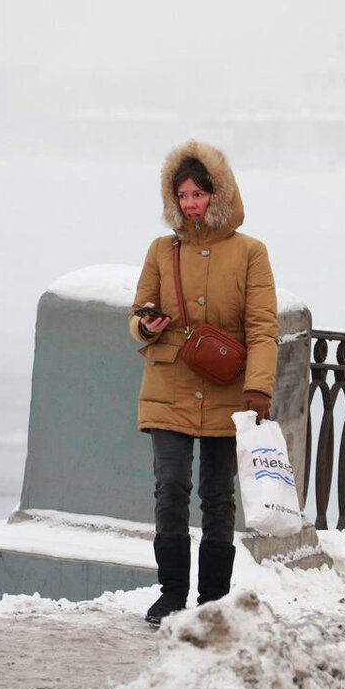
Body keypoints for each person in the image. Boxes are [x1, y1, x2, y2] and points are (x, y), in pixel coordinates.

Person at [129, 140, 278, 625]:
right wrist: (144, 324)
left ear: (220, 194)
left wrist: (259, 390)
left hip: (227, 390)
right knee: (169, 487)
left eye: (200, 194)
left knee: (217, 497)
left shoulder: (251, 253)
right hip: (169, 386)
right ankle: (171, 592)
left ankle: (213, 597)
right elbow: (139, 312)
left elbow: (262, 329)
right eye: (183, 196)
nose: (192, 204)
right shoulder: (160, 250)